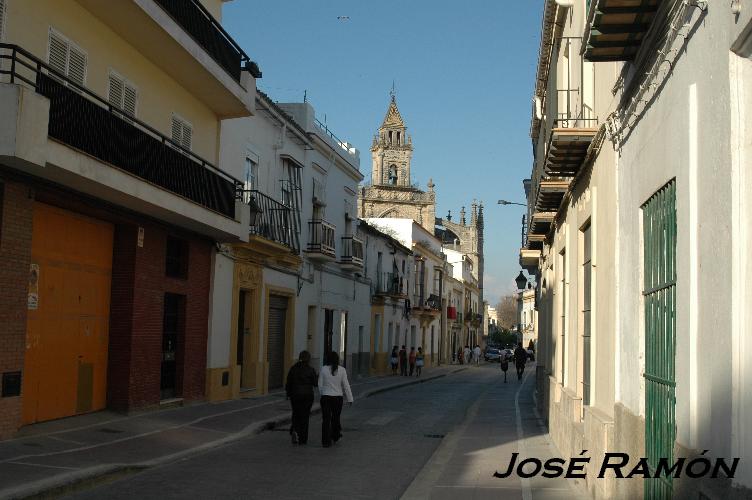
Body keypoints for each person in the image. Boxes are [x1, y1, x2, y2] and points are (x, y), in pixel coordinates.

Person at [318, 351, 353, 448]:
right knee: (335, 418)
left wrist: (323, 393)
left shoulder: (323, 369)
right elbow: (346, 385)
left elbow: (320, 384)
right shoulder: (342, 370)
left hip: (326, 397)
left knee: (326, 419)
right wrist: (350, 398)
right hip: (338, 398)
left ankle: (325, 441)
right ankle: (335, 436)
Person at [285, 350, 317, 445]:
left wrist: (288, 393)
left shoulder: (293, 368)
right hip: (307, 396)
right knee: (305, 416)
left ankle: (295, 430)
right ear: (308, 359)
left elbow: (288, 382)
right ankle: (303, 439)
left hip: (295, 395)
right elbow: (315, 384)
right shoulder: (311, 370)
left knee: (296, 414)